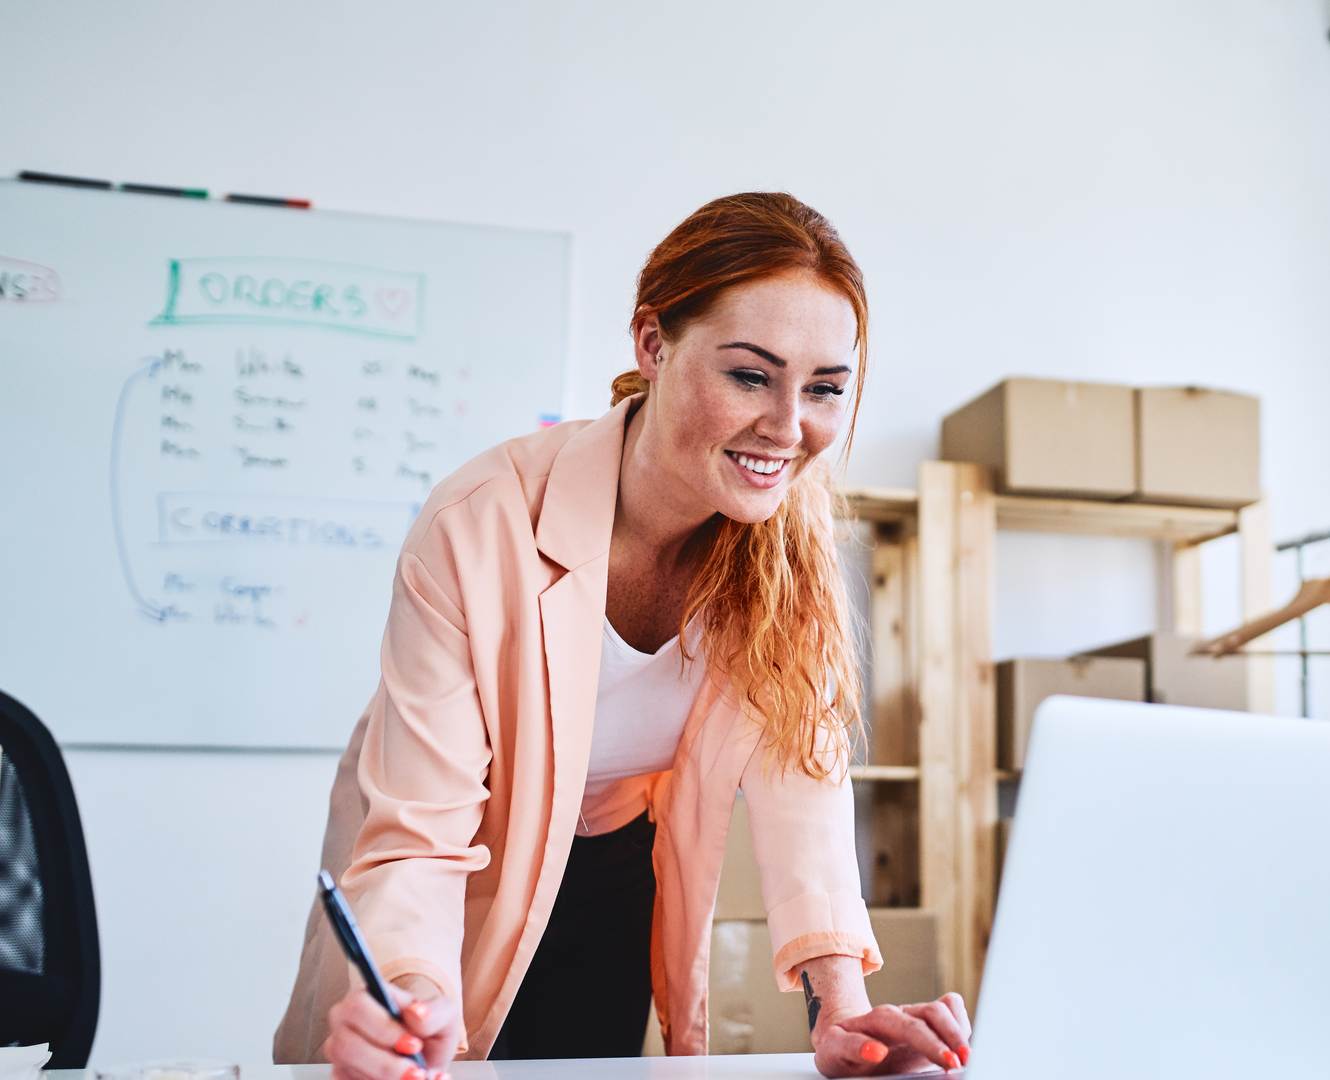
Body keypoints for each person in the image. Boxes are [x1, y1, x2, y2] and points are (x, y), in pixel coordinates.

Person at [273, 193, 970, 1079]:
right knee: (421, 1055)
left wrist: (845, 1012)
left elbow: (806, 781)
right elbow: (420, 832)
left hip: (610, 862)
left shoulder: (791, 549)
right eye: (751, 376)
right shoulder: (477, 524)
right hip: (455, 858)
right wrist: (409, 988)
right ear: (653, 345)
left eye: (826, 388)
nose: (789, 428)